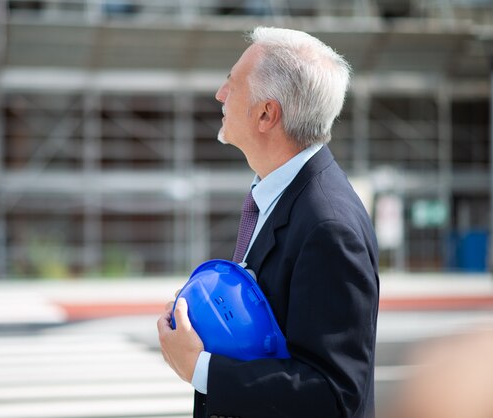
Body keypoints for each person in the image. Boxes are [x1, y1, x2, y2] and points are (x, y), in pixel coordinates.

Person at [157, 26, 379, 418]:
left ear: (266, 114)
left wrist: (201, 369)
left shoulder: (329, 227)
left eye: (232, 82)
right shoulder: (281, 193)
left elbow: (334, 395)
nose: (220, 94)